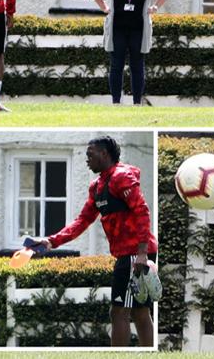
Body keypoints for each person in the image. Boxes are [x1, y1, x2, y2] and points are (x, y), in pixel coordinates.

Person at [37, 136, 158, 346]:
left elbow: (142, 211)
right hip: (128, 254)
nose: (87, 160)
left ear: (104, 154)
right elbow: (83, 220)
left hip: (135, 253)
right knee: (140, 312)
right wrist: (51, 241)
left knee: (119, 311)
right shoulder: (97, 186)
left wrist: (141, 253)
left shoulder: (122, 177)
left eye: (90, 155)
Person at [90, 0, 171, 106]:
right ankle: (116, 103)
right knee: (116, 65)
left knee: (137, 66)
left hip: (139, 29)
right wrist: (105, 8)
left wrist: (155, 7)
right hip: (117, 29)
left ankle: (136, 103)